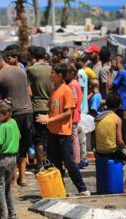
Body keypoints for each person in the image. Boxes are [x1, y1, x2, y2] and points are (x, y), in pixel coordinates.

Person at [37, 63, 90, 196]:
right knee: (55, 164)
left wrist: (49, 119)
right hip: (52, 132)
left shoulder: (67, 90)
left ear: (60, 76)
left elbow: (68, 113)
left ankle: (82, 188)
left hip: (63, 133)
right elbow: (52, 110)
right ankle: (60, 190)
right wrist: (46, 116)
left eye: (53, 73)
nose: (51, 75)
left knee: (69, 162)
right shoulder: (54, 90)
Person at [0, 51, 33, 187]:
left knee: (13, 146)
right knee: (23, 147)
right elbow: (30, 92)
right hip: (28, 111)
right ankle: (22, 178)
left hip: (14, 113)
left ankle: (13, 180)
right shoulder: (21, 71)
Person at [94, 92, 126, 192]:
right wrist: (125, 148)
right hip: (111, 151)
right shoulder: (117, 119)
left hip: (99, 151)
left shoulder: (98, 118)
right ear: (119, 105)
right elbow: (120, 141)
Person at [27, 47, 53, 166]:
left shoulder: (31, 70)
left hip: (37, 106)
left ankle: (40, 164)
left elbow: (29, 91)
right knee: (50, 137)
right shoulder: (52, 69)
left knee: (39, 139)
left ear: (33, 56)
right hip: (52, 107)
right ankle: (50, 162)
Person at [108, 55, 126, 150]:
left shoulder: (121, 73)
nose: (111, 65)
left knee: (124, 130)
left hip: (122, 106)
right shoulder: (124, 72)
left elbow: (109, 86)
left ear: (117, 61)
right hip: (123, 105)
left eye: (112, 62)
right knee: (123, 129)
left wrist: (109, 74)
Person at [65, 64, 82, 165]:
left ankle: (75, 160)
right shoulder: (75, 83)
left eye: (67, 72)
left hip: (73, 114)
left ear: (72, 73)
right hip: (76, 113)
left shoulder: (72, 85)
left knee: (73, 138)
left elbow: (74, 101)